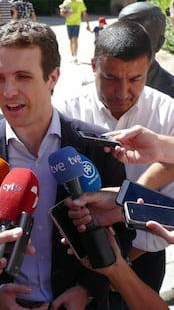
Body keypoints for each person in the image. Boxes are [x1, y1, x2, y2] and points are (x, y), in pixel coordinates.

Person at [0, 19, 132, 310]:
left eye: (23, 77)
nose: (8, 91)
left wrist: (87, 290)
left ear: (52, 77)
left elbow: (123, 234)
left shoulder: (98, 146)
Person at [52, 19, 174, 306]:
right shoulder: (66, 111)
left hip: (146, 260)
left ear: (150, 68)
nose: (122, 93)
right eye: (110, 78)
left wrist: (120, 265)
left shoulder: (168, 115)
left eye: (135, 79)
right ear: (94, 65)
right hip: (78, 262)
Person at [119, 1, 174, 98]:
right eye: (122, 36)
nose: (128, 45)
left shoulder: (170, 91)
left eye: (141, 41)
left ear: (159, 43)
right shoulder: (104, 85)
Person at [59, 0, 90, 64]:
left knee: (75, 39)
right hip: (69, 23)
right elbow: (61, 13)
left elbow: (84, 13)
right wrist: (66, 13)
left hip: (77, 23)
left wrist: (87, 24)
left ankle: (75, 56)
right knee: (71, 40)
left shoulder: (80, 2)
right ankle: (72, 56)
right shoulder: (66, 1)